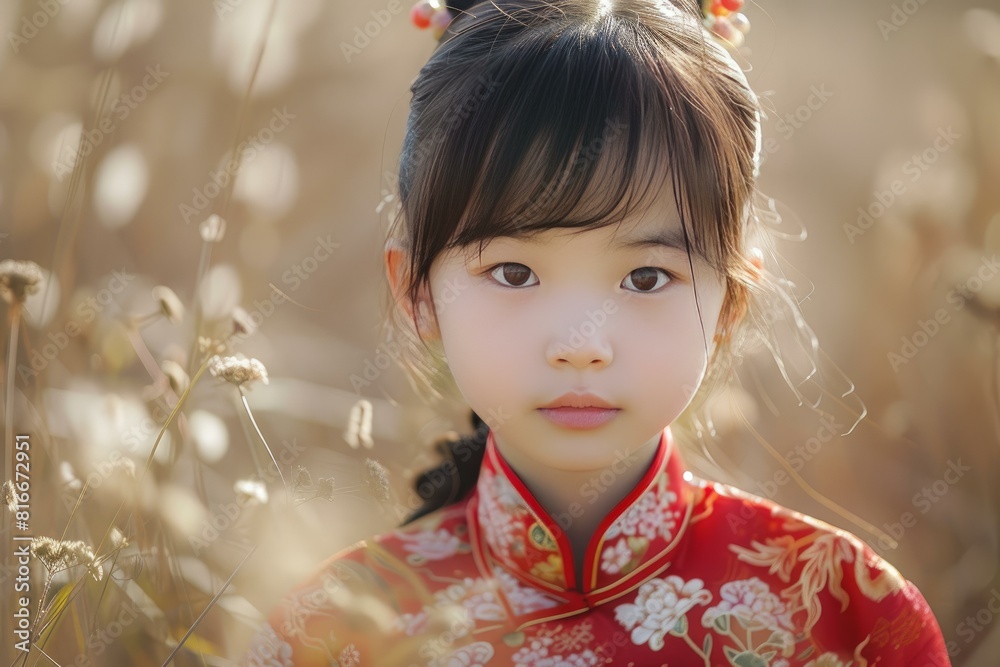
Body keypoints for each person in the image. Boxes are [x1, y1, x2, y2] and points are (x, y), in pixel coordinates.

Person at [243, 0, 951, 664]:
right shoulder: (333, 632)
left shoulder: (849, 616)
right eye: (514, 272)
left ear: (732, 299)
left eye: (645, 278)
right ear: (418, 293)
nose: (580, 343)